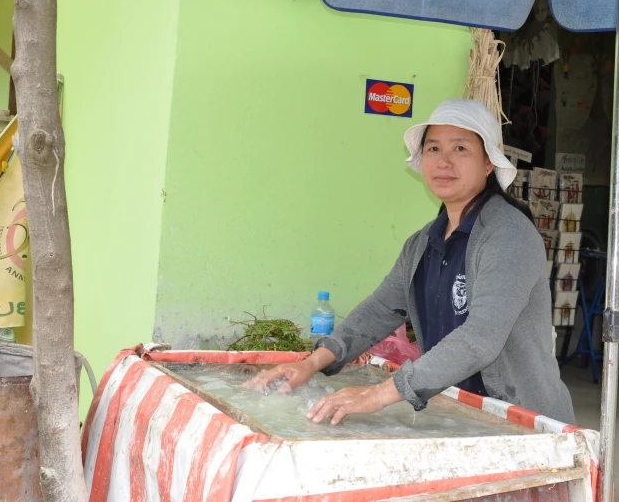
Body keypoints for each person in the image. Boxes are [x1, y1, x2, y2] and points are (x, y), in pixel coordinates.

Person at [247, 99, 576, 426]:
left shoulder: (508, 235)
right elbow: (379, 309)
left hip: (525, 425)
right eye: (433, 149)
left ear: (489, 163)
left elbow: (480, 339)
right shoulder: (423, 243)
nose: (443, 161)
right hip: (463, 417)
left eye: (460, 149)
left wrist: (377, 395)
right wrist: (312, 363)